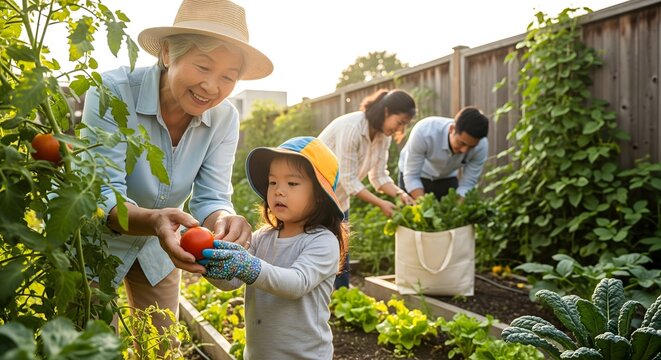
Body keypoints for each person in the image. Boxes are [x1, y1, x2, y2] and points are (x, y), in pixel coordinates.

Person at [79, 0, 273, 349]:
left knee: (161, 347)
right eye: (203, 66)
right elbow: (101, 192)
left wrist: (224, 220)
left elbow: (212, 195)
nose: (212, 87)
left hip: (161, 247)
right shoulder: (112, 92)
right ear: (168, 53)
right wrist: (154, 220)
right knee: (92, 348)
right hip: (92, 244)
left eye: (228, 77)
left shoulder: (224, 119)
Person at [201, 136, 348, 360]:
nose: (279, 191)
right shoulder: (262, 237)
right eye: (272, 182)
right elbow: (231, 281)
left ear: (320, 196)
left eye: (292, 183)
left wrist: (247, 266)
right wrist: (206, 261)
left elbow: (296, 283)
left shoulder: (322, 241)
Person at [318, 88, 417, 289]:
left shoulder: (383, 136)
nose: (400, 130)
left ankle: (342, 300)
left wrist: (400, 194)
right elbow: (348, 179)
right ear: (387, 112)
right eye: (400, 123)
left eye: (405, 125)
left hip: (339, 200)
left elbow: (379, 175)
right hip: (315, 197)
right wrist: (381, 204)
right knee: (318, 248)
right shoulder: (352, 127)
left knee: (341, 251)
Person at [398, 106, 489, 200]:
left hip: (446, 177)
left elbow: (467, 184)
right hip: (415, 174)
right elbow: (411, 176)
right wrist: (424, 206)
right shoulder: (425, 132)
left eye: (471, 147)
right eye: (461, 143)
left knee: (448, 210)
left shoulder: (481, 146)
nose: (464, 150)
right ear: (452, 129)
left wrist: (457, 209)